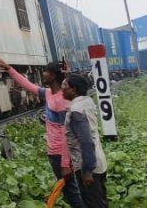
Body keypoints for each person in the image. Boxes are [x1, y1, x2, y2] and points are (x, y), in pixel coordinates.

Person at [0, 56, 81, 208]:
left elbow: (67, 133)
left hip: (61, 155)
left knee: (72, 192)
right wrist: (9, 68)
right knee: (68, 191)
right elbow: (27, 85)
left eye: (45, 71)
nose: (43, 73)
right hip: (54, 153)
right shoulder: (48, 93)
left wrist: (66, 162)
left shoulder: (61, 100)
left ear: (52, 76)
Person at [62, 73, 109, 208]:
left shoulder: (76, 110)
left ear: (74, 89)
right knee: (101, 201)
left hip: (88, 166)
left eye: (65, 85)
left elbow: (86, 141)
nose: (62, 89)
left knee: (93, 204)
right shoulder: (87, 102)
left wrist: (87, 170)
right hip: (98, 160)